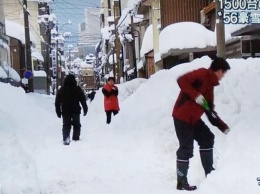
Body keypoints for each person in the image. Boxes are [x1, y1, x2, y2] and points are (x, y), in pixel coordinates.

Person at [172, 57, 231, 191]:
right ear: (219, 70)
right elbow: (181, 80)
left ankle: (209, 173)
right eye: (224, 72)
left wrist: (224, 127)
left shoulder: (210, 86)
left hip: (193, 119)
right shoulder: (202, 74)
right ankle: (181, 182)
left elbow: (209, 110)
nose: (223, 76)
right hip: (182, 116)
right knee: (186, 148)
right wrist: (196, 95)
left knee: (207, 138)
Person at [55, 74, 88, 145]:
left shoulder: (62, 89)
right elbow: (82, 100)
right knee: (77, 125)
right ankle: (76, 138)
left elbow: (57, 102)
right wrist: (85, 108)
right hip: (76, 110)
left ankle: (66, 138)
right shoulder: (77, 89)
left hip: (65, 111)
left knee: (66, 125)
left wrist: (58, 111)